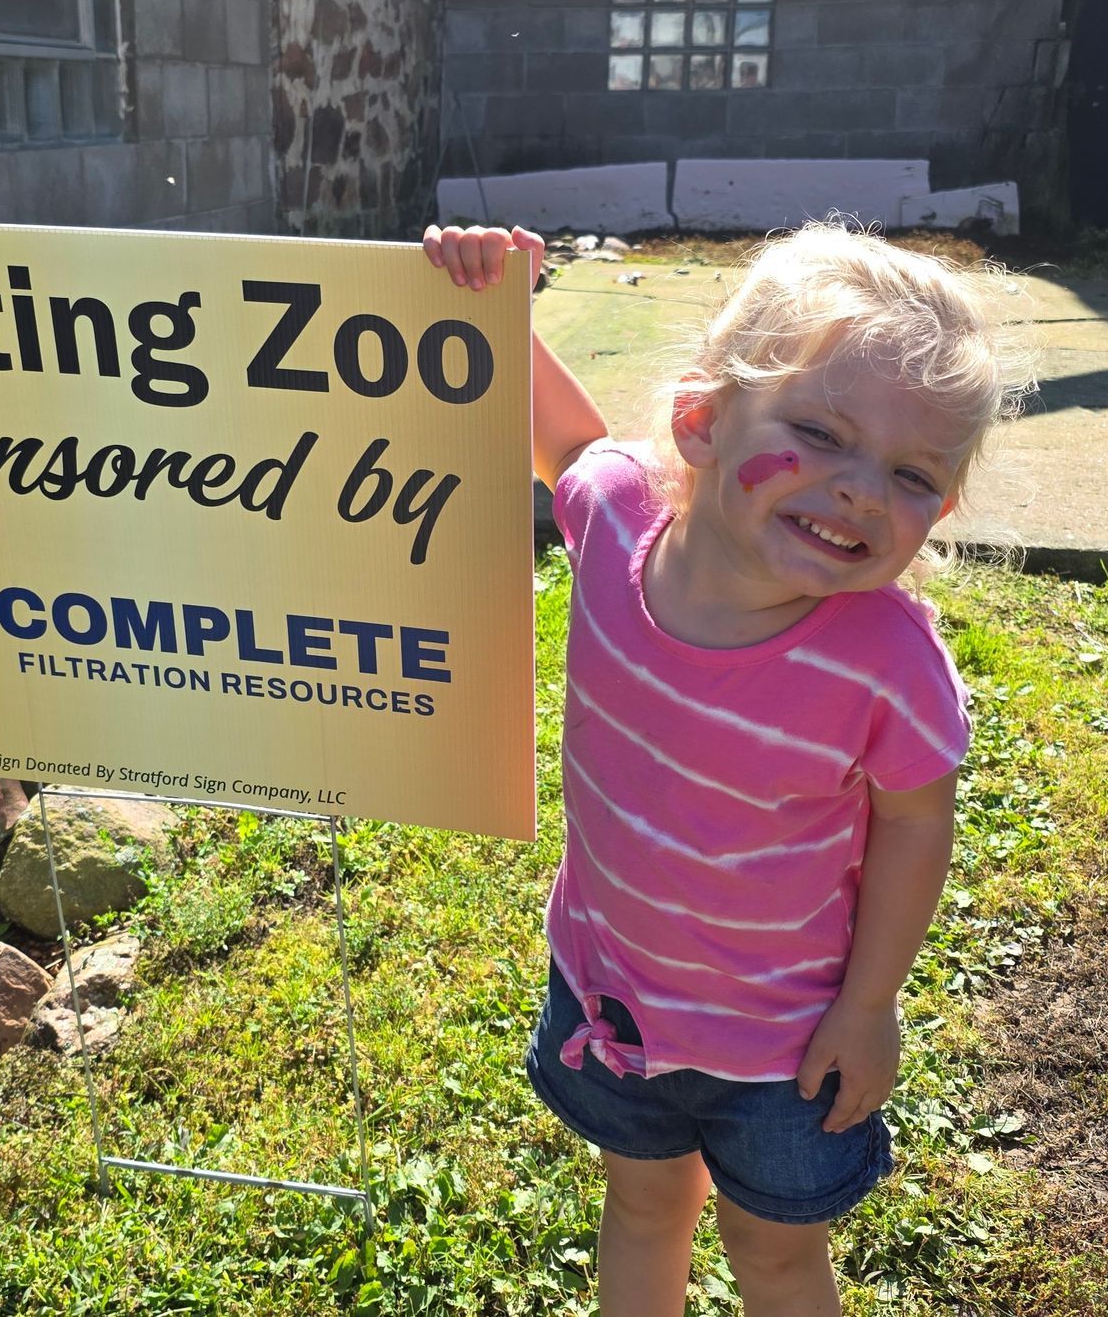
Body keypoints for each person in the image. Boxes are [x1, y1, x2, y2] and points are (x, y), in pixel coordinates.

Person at [422, 219, 1028, 1316]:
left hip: (786, 1046)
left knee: (778, 1251)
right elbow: (560, 443)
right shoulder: (612, 521)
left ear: (939, 509)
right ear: (701, 422)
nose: (858, 490)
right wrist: (487, 302)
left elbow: (916, 823)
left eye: (908, 473)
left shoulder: (888, 662)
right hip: (615, 996)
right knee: (645, 1206)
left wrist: (872, 1005)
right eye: (821, 432)